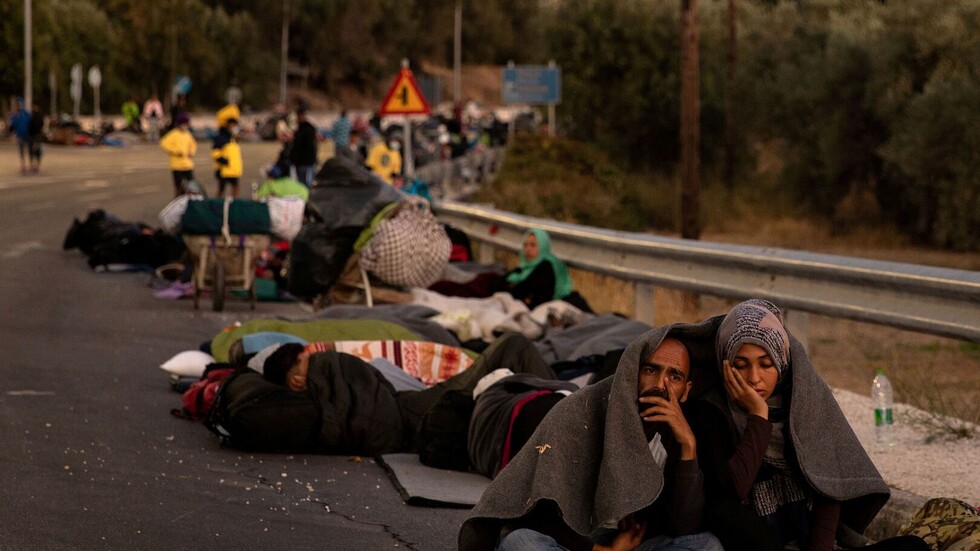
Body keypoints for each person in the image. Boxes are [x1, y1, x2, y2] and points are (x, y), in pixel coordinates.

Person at [688, 299, 928, 551]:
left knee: (913, 546)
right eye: (740, 365)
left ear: (782, 361)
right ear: (725, 364)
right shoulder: (710, 412)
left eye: (766, 364)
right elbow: (733, 493)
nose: (754, 378)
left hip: (810, 543)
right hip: (756, 544)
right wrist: (758, 417)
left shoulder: (803, 401)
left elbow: (828, 486)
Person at [459, 328, 723, 551]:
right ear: (632, 372)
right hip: (576, 542)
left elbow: (684, 525)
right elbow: (539, 511)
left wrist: (688, 448)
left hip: (630, 544)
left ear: (686, 389)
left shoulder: (682, 430)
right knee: (521, 542)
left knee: (707, 545)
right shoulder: (581, 411)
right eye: (650, 370)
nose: (661, 384)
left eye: (674, 376)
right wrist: (601, 550)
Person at [505, 229, 593, 312]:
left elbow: (522, 290)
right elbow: (502, 286)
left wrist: (513, 288)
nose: (528, 249)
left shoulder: (547, 266)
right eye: (525, 245)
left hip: (571, 306)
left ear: (543, 246)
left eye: (533, 245)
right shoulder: (524, 268)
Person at [159, 113, 197, 197]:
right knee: (178, 186)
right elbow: (163, 143)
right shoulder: (173, 134)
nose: (185, 126)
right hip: (176, 165)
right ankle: (177, 200)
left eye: (186, 124)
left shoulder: (188, 134)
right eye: (183, 124)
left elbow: (193, 144)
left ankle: (190, 200)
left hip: (187, 164)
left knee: (192, 185)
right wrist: (175, 151)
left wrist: (191, 152)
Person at [211, 117, 243, 197]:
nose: (235, 128)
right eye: (233, 126)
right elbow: (215, 152)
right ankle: (218, 203)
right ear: (228, 125)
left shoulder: (233, 139)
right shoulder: (221, 138)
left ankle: (234, 203)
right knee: (221, 189)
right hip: (224, 170)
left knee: (235, 188)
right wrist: (223, 161)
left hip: (234, 170)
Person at [288, 107, 318, 188]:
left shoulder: (308, 129)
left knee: (307, 183)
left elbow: (310, 146)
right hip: (300, 161)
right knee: (301, 183)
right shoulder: (300, 129)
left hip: (306, 161)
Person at [9, 98, 31, 174]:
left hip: (27, 135)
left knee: (29, 151)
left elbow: (30, 123)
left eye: (18, 105)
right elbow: (13, 125)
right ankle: (23, 166)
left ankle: (30, 165)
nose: (17, 106)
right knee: (22, 151)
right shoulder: (15, 115)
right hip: (20, 135)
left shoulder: (26, 114)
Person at [27, 103, 45, 174]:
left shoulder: (37, 115)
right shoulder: (32, 115)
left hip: (36, 135)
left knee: (36, 151)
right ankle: (34, 166)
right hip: (33, 135)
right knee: (33, 151)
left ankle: (36, 166)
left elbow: (41, 124)